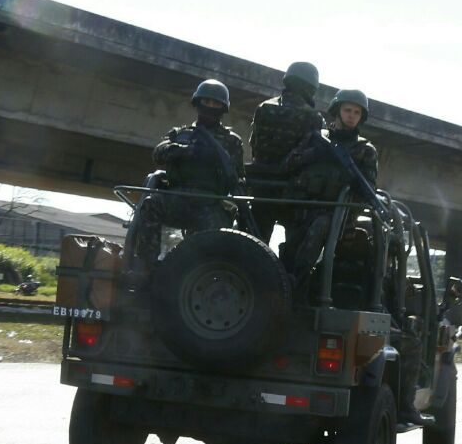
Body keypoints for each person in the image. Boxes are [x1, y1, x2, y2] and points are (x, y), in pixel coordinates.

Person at [133, 79, 245, 269]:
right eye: (207, 102)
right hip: (179, 197)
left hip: (211, 204)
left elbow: (239, 178)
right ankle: (146, 267)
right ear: (198, 103)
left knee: (215, 240)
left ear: (222, 108)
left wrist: (235, 202)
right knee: (151, 204)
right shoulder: (181, 134)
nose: (210, 107)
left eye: (215, 103)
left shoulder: (231, 142)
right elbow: (158, 153)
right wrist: (183, 151)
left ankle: (201, 275)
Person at [283, 88, 380, 287]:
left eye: (356, 112)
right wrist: (313, 154)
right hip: (303, 207)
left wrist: (353, 183)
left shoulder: (365, 151)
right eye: (347, 110)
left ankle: (295, 285)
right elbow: (288, 165)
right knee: (290, 249)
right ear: (337, 110)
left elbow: (368, 189)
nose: (351, 116)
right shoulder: (316, 138)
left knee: (318, 229)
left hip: (336, 215)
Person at [247, 61, 326, 265]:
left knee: (252, 247)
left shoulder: (264, 108)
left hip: (261, 189)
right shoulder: (313, 117)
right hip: (294, 195)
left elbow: (255, 146)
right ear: (312, 87)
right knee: (294, 253)